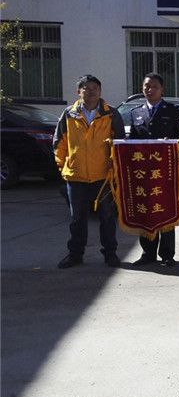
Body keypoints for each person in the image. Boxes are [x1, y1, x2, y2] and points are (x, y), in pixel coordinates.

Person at [53, 75, 126, 268]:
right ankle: (75, 255)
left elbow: (120, 144)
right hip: (76, 177)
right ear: (79, 92)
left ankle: (110, 254)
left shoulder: (111, 114)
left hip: (104, 177)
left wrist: (115, 171)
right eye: (86, 88)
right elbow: (59, 144)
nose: (91, 92)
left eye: (95, 88)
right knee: (77, 219)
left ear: (100, 91)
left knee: (107, 218)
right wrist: (64, 166)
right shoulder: (69, 114)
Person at [127, 73, 179, 267]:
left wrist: (171, 143)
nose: (150, 89)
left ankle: (167, 254)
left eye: (154, 86)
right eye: (147, 86)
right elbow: (132, 141)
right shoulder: (136, 112)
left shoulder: (173, 111)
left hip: (166, 171)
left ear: (162, 89)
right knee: (145, 209)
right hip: (143, 172)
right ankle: (148, 253)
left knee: (166, 209)